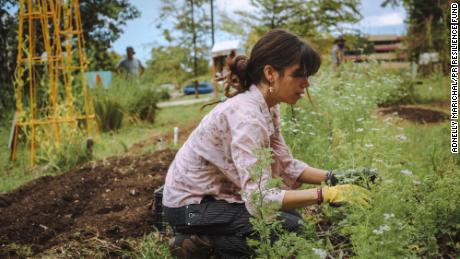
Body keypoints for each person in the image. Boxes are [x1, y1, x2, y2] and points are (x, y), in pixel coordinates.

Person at [162, 29, 368, 258]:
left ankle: (208, 241)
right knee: (287, 230)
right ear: (270, 73)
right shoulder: (247, 117)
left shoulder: (268, 106)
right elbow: (259, 199)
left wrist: (334, 178)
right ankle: (196, 245)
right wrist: (324, 195)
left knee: (292, 220)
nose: (306, 84)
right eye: (299, 75)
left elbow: (286, 165)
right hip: (190, 209)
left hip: (214, 199)